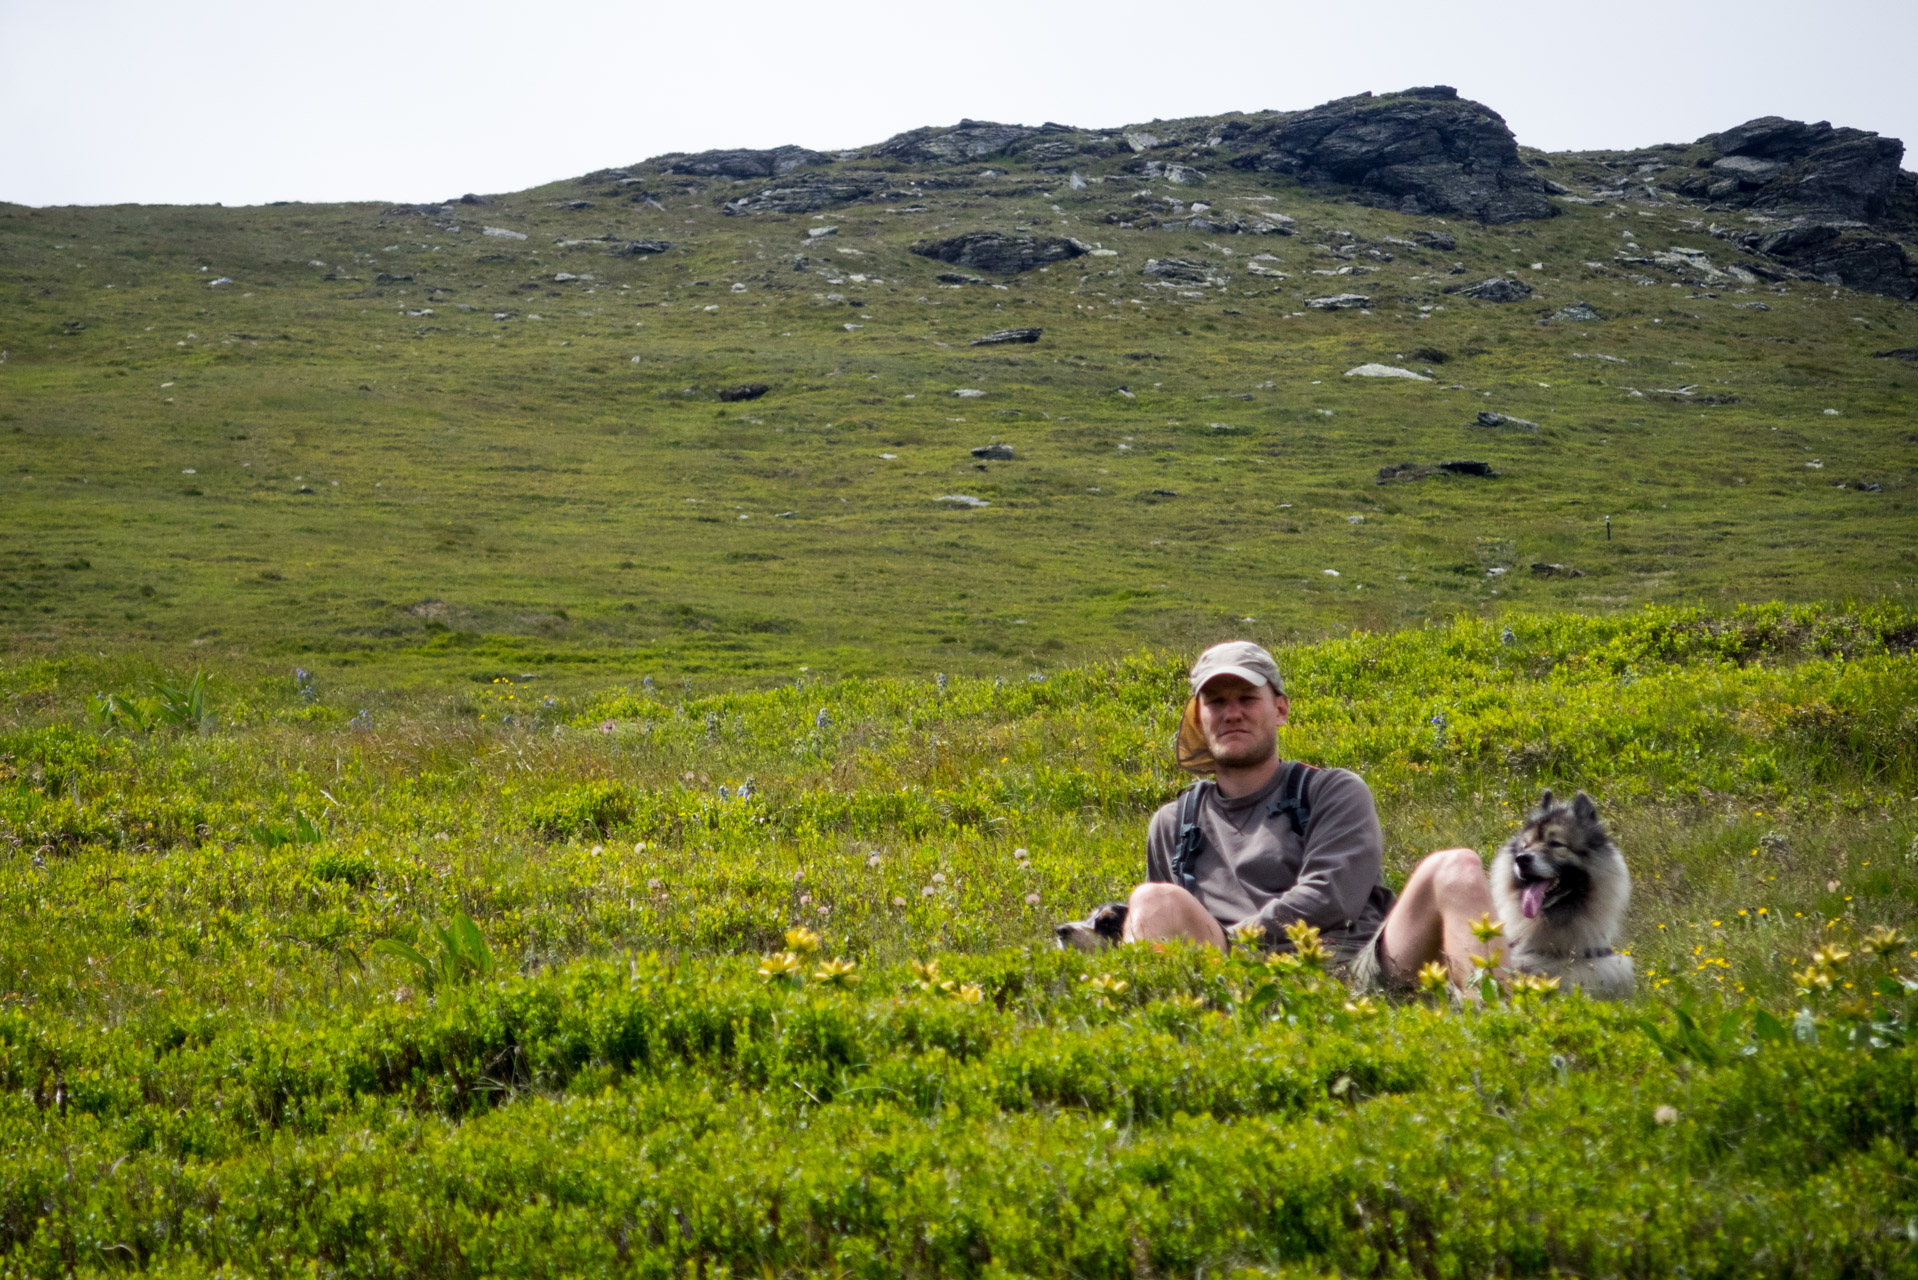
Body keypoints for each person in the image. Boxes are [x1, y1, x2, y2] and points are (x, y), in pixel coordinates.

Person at [1124, 640, 1502, 989]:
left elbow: (1331, 896)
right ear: (1198, 718)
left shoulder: (1331, 791)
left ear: (1280, 709)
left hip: (1355, 971)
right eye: (1216, 702)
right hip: (1232, 984)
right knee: (1152, 901)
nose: (1232, 713)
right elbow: (1164, 933)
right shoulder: (1174, 823)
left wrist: (1238, 939)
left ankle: (1500, 1028)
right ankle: (1164, 1042)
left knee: (1457, 867)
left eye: (1247, 698)